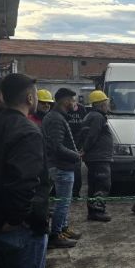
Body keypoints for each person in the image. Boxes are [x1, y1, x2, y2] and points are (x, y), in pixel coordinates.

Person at [0, 74, 50, 268]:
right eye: (36, 94)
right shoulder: (28, 130)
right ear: (29, 97)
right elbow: (24, 183)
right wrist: (15, 219)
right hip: (18, 229)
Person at [42, 88, 82, 248]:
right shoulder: (56, 119)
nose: (75, 103)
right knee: (63, 202)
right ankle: (56, 234)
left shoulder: (57, 116)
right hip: (61, 166)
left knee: (64, 201)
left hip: (63, 165)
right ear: (65, 101)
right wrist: (75, 155)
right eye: (73, 100)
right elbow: (56, 146)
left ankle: (63, 228)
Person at [81, 90, 113, 222]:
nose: (108, 106)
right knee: (103, 184)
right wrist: (85, 149)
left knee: (94, 184)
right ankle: (98, 211)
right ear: (101, 104)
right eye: (106, 103)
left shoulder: (90, 115)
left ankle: (93, 211)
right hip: (99, 157)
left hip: (94, 157)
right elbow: (92, 136)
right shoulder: (98, 117)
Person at [66, 98, 87, 199]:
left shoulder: (82, 109)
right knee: (70, 168)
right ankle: (72, 192)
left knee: (76, 169)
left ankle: (75, 192)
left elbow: (84, 126)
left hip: (77, 143)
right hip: (67, 142)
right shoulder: (66, 108)